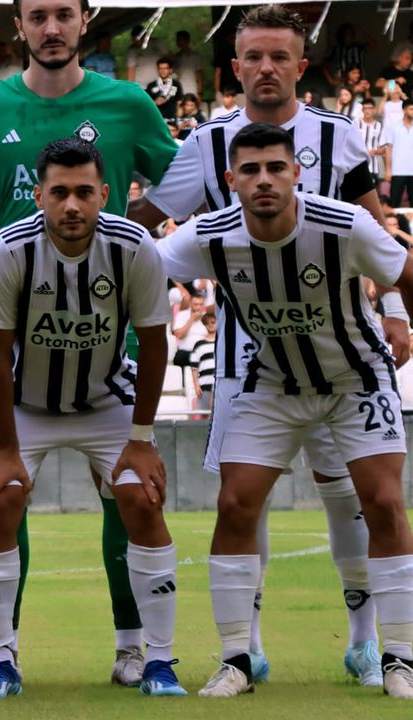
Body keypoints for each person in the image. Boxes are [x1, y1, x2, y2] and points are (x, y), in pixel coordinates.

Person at [131, 6, 411, 687]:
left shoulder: (337, 135)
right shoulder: (207, 142)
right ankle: (246, 648)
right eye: (252, 57)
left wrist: (396, 312)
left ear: (299, 66)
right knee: (240, 497)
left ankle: (368, 643)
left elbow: (376, 228)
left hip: (344, 351)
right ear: (235, 67)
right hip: (248, 358)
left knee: (352, 496)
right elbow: (148, 226)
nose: (265, 68)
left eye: (278, 57)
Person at [0, 0, 180, 685]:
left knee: (132, 498)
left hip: (106, 353)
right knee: (3, 494)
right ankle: (1, 659)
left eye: (63, 14)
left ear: (83, 20)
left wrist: (128, 221)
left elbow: (183, 177)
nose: (50, 28)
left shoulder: (128, 103)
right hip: (20, 362)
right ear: (18, 25)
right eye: (37, 15)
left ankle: (139, 652)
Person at [0, 138, 184, 699]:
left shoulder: (134, 246)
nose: (72, 205)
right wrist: (6, 450)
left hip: (106, 400)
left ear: (105, 194)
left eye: (84, 192)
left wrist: (141, 439)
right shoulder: (8, 249)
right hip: (25, 405)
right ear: (38, 196)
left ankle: (152, 659)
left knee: (141, 497)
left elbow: (155, 345)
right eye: (60, 192)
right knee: (0, 500)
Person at [384, 100, 413, 208]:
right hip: (397, 171)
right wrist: (388, 170)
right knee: (394, 204)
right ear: (404, 110)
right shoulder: (394, 127)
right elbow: (388, 149)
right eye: (411, 109)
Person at [360, 98, 389, 186]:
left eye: (370, 108)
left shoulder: (379, 126)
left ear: (374, 110)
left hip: (373, 168)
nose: (367, 110)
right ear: (362, 110)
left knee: (373, 192)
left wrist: (376, 151)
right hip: (357, 167)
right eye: (365, 108)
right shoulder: (356, 124)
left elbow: (384, 149)